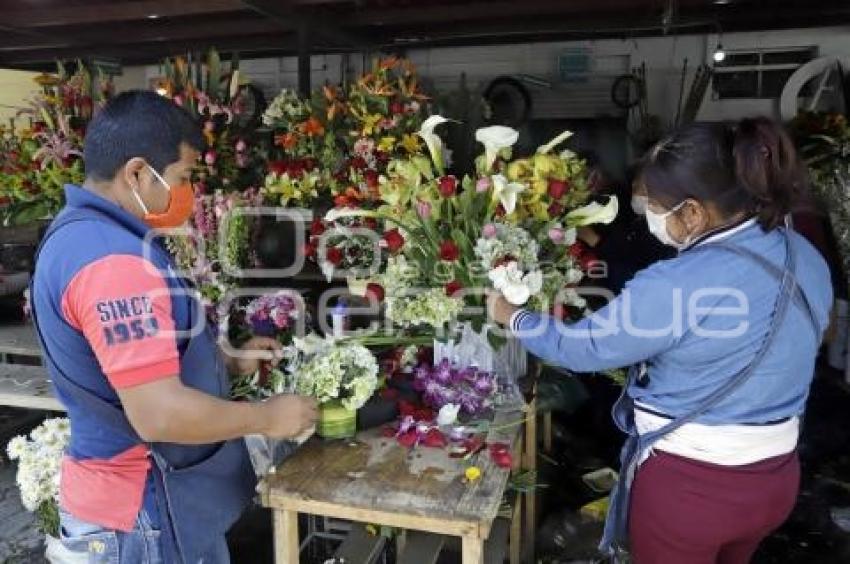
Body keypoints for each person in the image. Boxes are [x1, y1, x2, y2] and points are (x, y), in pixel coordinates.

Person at [488, 117, 833, 563]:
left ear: (692, 212)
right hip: (775, 480)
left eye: (654, 205)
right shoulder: (802, 253)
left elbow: (582, 348)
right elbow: (821, 330)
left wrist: (512, 316)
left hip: (693, 491)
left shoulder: (679, 282)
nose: (648, 214)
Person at [30, 91, 318, 564]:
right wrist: (266, 416)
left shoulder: (85, 234)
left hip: (143, 507)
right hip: (141, 515)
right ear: (138, 173)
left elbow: (128, 363)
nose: (190, 194)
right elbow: (158, 414)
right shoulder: (112, 262)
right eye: (183, 177)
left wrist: (224, 360)